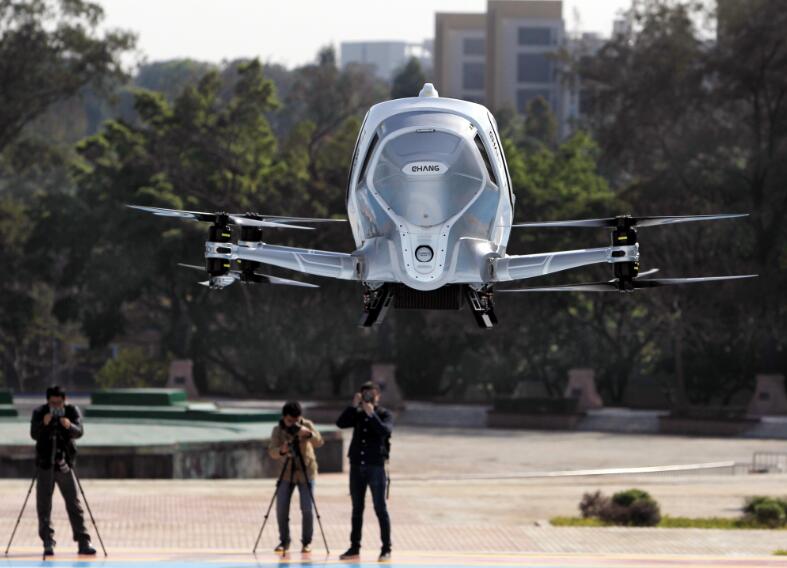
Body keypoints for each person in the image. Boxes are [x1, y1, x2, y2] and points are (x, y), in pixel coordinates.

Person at [30, 385, 95, 557]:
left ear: (64, 401)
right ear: (47, 402)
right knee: (44, 505)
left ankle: (83, 540)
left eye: (59, 404)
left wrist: (69, 426)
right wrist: (44, 424)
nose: (56, 407)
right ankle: (47, 541)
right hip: (45, 464)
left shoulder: (72, 411)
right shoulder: (40, 412)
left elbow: (79, 431)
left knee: (74, 503)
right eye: (53, 403)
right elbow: (34, 434)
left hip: (64, 463)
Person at [336, 381, 393, 562]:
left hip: (375, 466)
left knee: (380, 508)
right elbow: (341, 423)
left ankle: (386, 548)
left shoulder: (384, 414)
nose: (369, 397)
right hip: (356, 466)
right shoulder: (357, 414)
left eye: (372, 394)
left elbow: (385, 431)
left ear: (378, 396)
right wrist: (353, 406)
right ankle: (354, 547)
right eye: (365, 394)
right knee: (357, 508)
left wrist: (371, 413)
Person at [267, 401, 324, 554]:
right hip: (286, 473)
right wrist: (282, 450)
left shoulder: (306, 424)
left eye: (296, 420)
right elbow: (272, 451)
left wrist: (308, 434)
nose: (293, 424)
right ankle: (284, 541)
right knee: (281, 508)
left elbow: (319, 441)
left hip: (306, 471)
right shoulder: (278, 430)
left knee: (307, 508)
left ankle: (306, 542)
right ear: (284, 417)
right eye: (290, 421)